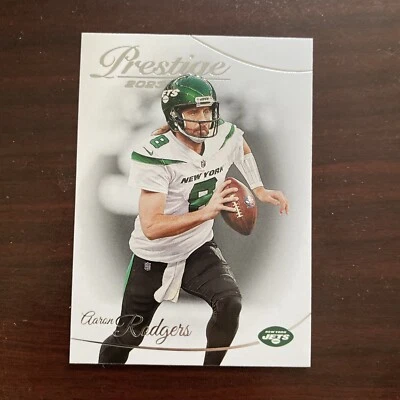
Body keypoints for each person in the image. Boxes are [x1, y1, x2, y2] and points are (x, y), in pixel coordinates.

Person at [99, 74, 289, 366]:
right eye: (193, 112)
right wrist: (205, 213)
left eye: (207, 111)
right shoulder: (156, 154)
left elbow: (240, 144)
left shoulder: (222, 134)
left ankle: (210, 376)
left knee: (230, 303)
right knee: (128, 336)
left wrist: (259, 188)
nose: (203, 120)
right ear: (174, 116)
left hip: (197, 247)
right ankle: (100, 375)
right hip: (153, 256)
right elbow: (151, 227)